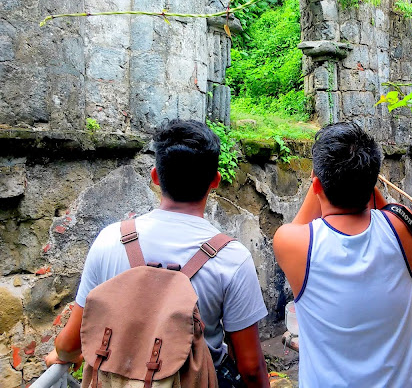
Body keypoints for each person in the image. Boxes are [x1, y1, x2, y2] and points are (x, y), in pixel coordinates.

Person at [45, 119, 270, 388]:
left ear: (155, 177)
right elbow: (251, 367)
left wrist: (61, 354)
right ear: (215, 181)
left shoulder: (109, 239)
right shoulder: (232, 258)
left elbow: (70, 342)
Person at [273, 122, 412, 388]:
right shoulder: (402, 225)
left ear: (316, 184)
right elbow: (380, 203)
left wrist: (320, 179)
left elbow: (302, 220)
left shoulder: (293, 242)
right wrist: (361, 176)